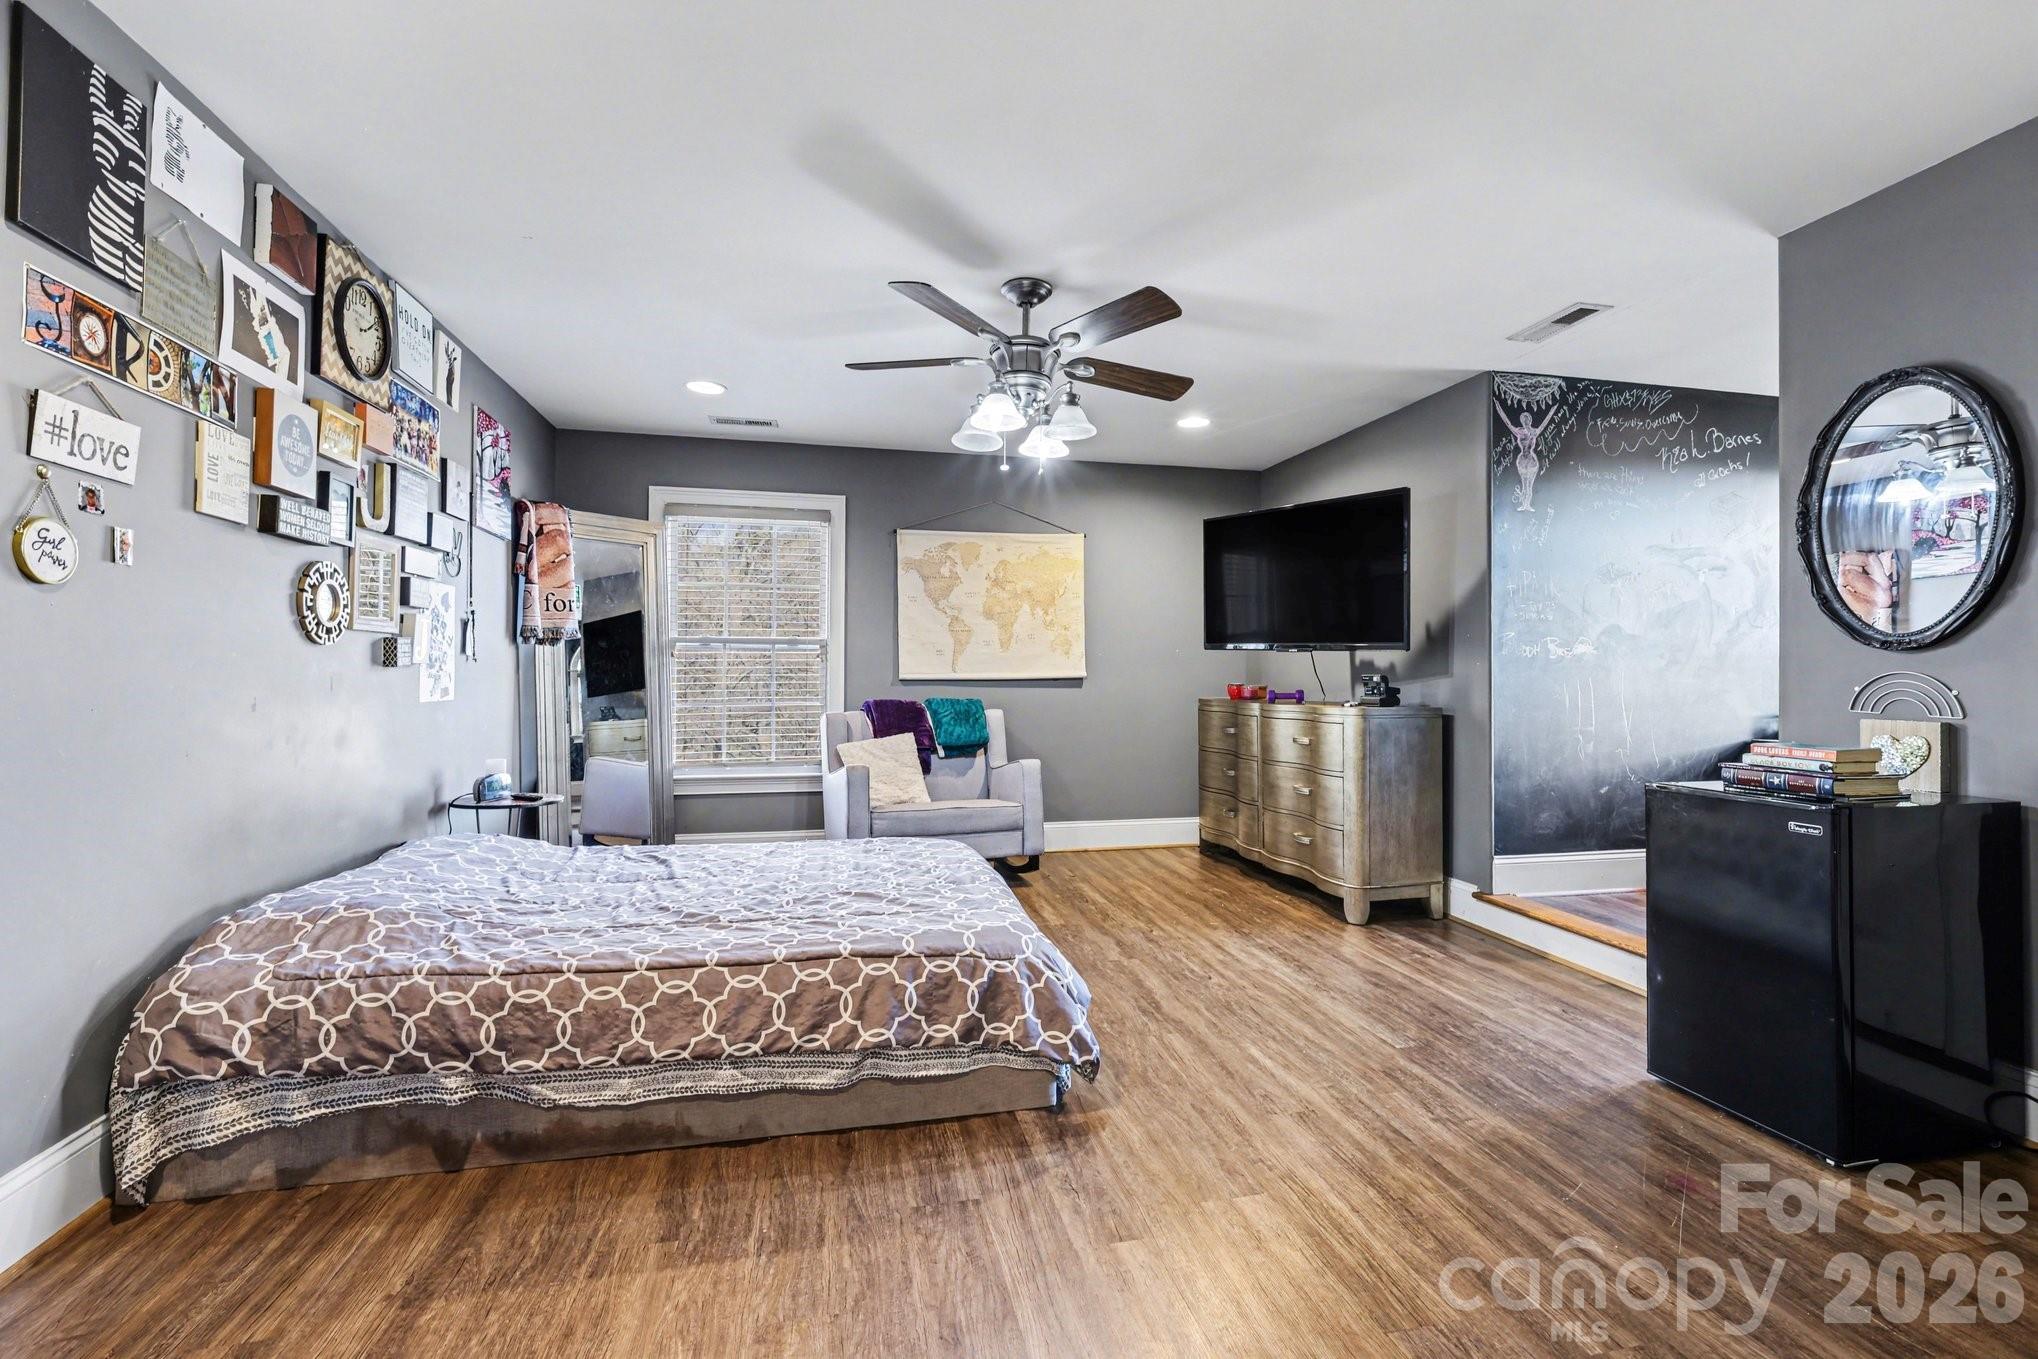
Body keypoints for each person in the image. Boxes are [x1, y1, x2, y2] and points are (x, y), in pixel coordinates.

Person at [1496, 398, 1556, 510]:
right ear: (1522, 421)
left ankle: (1527, 505)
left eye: (1527, 420)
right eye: (1524, 420)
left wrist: (1552, 410)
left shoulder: (1534, 432)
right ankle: (1524, 505)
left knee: (1529, 486)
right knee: (1524, 485)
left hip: (1532, 461)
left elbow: (1545, 422)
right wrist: (1498, 407)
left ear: (1530, 420)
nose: (1526, 422)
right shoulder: (1519, 431)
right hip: (1522, 461)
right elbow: (1507, 422)